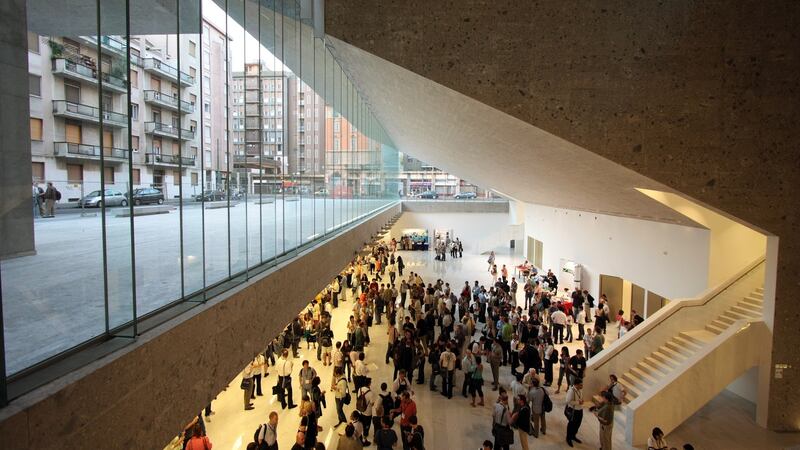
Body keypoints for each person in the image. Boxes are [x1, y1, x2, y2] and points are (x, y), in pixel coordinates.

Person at [565, 378, 585, 447]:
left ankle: (573, 436)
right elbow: (567, 401)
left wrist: (582, 400)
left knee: (578, 424)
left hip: (580, 410)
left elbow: (580, 397)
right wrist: (578, 402)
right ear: (576, 385)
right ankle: (568, 438)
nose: (582, 386)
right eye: (580, 385)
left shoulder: (580, 390)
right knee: (571, 425)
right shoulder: (571, 391)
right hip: (574, 411)